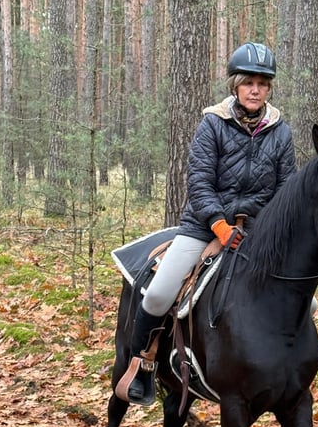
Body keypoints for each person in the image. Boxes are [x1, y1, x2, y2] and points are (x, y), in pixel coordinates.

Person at [118, 42, 297, 405]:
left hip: (257, 233)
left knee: (305, 305)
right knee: (158, 292)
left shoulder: (281, 132)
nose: (255, 90)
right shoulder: (212, 124)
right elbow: (199, 183)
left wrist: (265, 228)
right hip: (204, 227)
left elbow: (286, 190)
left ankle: (282, 368)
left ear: (269, 88)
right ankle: (143, 364)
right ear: (236, 85)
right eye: (249, 82)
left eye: (262, 83)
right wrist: (219, 225)